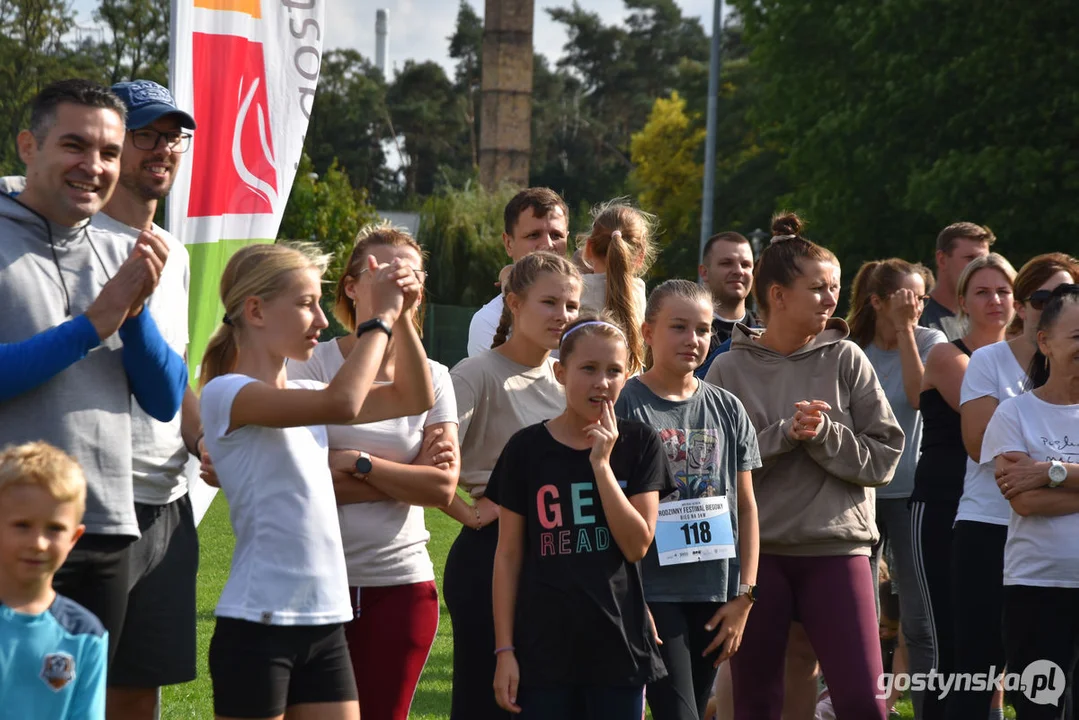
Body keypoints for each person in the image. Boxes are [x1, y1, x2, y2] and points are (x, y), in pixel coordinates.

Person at [198, 243, 432, 720]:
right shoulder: (227, 393)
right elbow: (343, 403)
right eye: (306, 304)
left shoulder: (307, 393)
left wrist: (402, 312)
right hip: (257, 624)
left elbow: (416, 394)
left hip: (325, 622)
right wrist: (378, 319)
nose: (322, 321)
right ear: (256, 310)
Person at [0, 78, 186, 663]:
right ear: (29, 146)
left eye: (108, 152)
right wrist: (95, 322)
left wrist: (132, 318)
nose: (94, 166)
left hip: (101, 525)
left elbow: (164, 398)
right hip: (11, 525)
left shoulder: (124, 250)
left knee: (82, 701)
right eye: (75, 146)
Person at [705, 213, 904, 720]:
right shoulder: (729, 366)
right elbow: (716, 469)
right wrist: (781, 436)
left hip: (838, 551)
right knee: (756, 704)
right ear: (777, 296)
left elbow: (884, 458)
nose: (831, 298)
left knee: (863, 702)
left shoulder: (847, 358)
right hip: (757, 557)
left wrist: (826, 436)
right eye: (817, 288)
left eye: (835, 286)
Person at [288, 224, 460, 720]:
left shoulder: (435, 377)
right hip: (312, 579)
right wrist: (401, 476)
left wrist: (358, 464)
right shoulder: (309, 365)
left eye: (409, 274)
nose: (397, 282)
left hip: (399, 584)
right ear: (350, 284)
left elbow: (440, 486)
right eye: (383, 270)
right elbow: (299, 477)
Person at [85, 78, 202, 720]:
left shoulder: (175, 254)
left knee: (138, 690)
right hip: (96, 498)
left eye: (173, 136)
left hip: (167, 500)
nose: (162, 149)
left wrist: (203, 435)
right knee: (74, 686)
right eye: (145, 135)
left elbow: (175, 376)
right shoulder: (74, 239)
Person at [490, 315, 669, 719]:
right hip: (543, 649)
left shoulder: (640, 442)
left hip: (617, 645)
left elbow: (636, 545)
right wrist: (505, 651)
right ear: (560, 371)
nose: (601, 383)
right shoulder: (526, 449)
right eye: (588, 369)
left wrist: (602, 467)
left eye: (613, 371)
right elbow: (508, 556)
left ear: (628, 375)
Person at [445, 252, 582, 720]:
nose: (562, 316)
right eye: (549, 302)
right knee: (485, 704)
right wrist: (472, 512)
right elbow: (427, 464)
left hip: (557, 558)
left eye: (571, 305)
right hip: (488, 559)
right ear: (514, 303)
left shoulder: (566, 379)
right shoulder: (475, 374)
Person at [616, 279, 761, 720]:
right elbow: (610, 509)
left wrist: (745, 596)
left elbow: (747, 506)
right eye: (678, 327)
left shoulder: (728, 408)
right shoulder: (625, 405)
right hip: (652, 591)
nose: (692, 340)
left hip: (716, 591)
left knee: (692, 710)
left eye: (702, 330)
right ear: (647, 332)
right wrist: (630, 598)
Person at [948, 253, 1079, 720]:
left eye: (1061, 296)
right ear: (1027, 308)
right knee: (982, 666)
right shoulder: (995, 374)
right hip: (998, 533)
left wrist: (1050, 469)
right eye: (1040, 297)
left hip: (1054, 555)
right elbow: (1009, 482)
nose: (1049, 305)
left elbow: (1034, 480)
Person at [909, 253, 1016, 720]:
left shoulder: (1035, 360)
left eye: (1004, 290)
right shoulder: (949, 354)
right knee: (950, 643)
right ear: (963, 302)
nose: (995, 300)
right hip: (943, 506)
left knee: (996, 640)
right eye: (983, 291)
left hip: (1002, 508)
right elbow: (997, 429)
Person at [846, 257, 947, 718]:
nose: (917, 306)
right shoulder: (852, 347)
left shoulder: (930, 340)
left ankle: (926, 709)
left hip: (910, 496)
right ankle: (856, 705)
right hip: (858, 496)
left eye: (921, 298)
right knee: (856, 617)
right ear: (877, 301)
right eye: (907, 299)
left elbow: (918, 396)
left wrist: (908, 330)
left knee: (919, 620)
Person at [982, 283, 1079, 720]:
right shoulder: (1014, 413)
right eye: (1077, 337)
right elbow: (1024, 502)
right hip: (1038, 590)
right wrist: (1047, 481)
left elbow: (1038, 487)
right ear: (1045, 342)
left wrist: (1049, 471)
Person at [0, 442, 106, 720]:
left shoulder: (85, 634)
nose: (38, 543)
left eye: (55, 529)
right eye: (22, 525)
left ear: (74, 538)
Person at [467, 188, 570, 357]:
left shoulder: (587, 309)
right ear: (508, 243)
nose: (547, 244)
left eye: (556, 235)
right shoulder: (488, 321)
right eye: (534, 235)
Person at [576, 201, 655, 375]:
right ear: (641, 256)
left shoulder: (574, 289)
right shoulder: (639, 290)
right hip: (631, 393)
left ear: (588, 248)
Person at [920, 222, 994, 340]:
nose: (978, 267)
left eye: (983, 260)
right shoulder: (917, 315)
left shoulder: (984, 317)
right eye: (970, 258)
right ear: (942, 260)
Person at [699, 231, 759, 356]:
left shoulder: (767, 332)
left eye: (745, 265)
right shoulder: (690, 334)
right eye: (726, 263)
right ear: (704, 272)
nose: (738, 271)